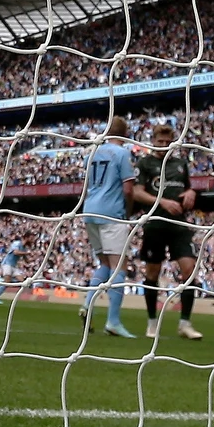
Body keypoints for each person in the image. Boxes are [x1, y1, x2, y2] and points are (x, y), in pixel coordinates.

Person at [130, 122, 202, 340]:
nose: (163, 145)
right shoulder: (145, 163)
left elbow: (188, 187)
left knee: (189, 271)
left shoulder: (180, 164)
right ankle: (152, 322)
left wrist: (191, 193)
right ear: (153, 141)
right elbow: (136, 192)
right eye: (159, 141)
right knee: (152, 273)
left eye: (167, 142)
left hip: (179, 224)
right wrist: (161, 201)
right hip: (155, 225)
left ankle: (185, 324)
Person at [77, 116, 137, 338]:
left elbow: (87, 184)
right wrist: (128, 214)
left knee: (103, 262)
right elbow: (128, 190)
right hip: (112, 212)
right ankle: (113, 321)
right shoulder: (122, 153)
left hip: (90, 210)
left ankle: (87, 305)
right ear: (125, 134)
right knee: (118, 266)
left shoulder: (92, 152)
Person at [0, 239, 26, 304]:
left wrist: (28, 257)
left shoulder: (24, 248)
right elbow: (15, 252)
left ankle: (3, 283)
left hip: (14, 266)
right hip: (7, 264)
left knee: (22, 280)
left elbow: (25, 258)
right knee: (7, 282)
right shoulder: (17, 243)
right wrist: (25, 253)